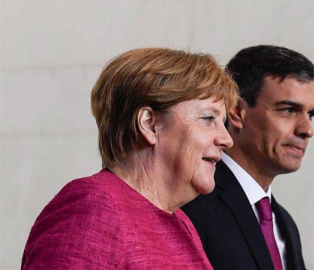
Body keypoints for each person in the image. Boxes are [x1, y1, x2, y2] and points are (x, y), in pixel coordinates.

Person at [21, 48, 238, 269]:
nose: (226, 139)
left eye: (223, 122)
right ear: (149, 124)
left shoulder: (181, 223)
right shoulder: (94, 208)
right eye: (208, 118)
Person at [182, 45, 314, 270]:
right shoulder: (191, 204)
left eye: (310, 114)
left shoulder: (284, 223)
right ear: (236, 112)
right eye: (288, 110)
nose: (307, 129)